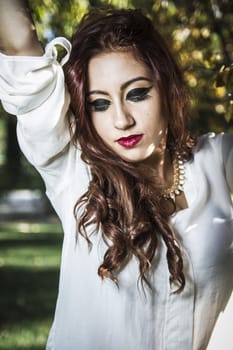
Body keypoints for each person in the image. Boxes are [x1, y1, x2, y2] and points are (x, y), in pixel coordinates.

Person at [0, 1, 232, 349]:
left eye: (137, 94)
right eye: (100, 103)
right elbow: (19, 39)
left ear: (167, 89)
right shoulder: (73, 167)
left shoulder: (217, 161)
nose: (122, 119)